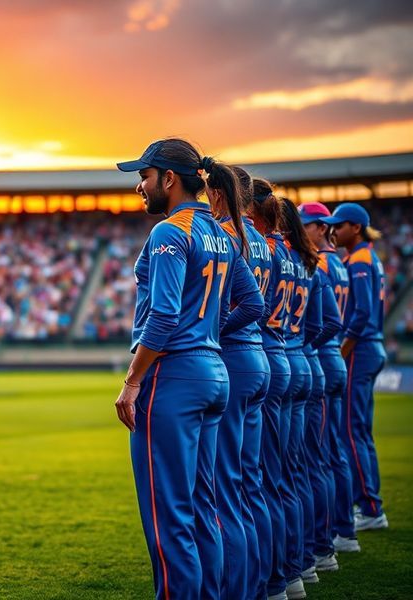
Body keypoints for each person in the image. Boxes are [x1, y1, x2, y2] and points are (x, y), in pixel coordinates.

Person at [115, 138, 262, 600]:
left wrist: (132, 381)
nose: (140, 186)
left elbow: (162, 315)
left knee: (168, 516)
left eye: (144, 176)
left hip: (174, 379)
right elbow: (252, 302)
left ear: (169, 179)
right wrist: (209, 333)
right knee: (204, 509)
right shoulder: (224, 231)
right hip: (214, 373)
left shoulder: (169, 232)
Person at [215, 166, 273, 600]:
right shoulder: (264, 242)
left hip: (236, 356)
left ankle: (241, 589)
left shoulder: (227, 234)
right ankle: (273, 582)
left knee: (228, 486)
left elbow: (251, 304)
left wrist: (214, 329)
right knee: (252, 482)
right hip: (264, 356)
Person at [322, 203, 388, 532]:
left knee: (351, 430)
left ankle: (371, 507)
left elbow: (361, 312)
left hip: (360, 350)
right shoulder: (366, 256)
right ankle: (369, 503)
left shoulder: (360, 259)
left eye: (340, 225)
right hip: (371, 347)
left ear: (356, 228)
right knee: (358, 430)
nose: (334, 230)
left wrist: (343, 349)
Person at [247, 179, 294, 600]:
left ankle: (267, 581)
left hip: (253, 353)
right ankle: (286, 574)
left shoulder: (245, 241)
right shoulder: (281, 250)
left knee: (250, 483)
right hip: (281, 354)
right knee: (278, 477)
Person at [299, 202, 351, 569]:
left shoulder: (319, 263)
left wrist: (304, 346)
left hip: (316, 357)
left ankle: (326, 541)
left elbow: (327, 323)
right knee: (332, 452)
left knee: (314, 459)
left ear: (319, 227)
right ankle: (339, 531)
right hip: (328, 359)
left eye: (304, 225)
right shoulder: (339, 264)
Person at [279, 197, 322, 598]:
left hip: (266, 357)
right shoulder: (307, 262)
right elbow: (320, 326)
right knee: (296, 472)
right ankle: (304, 563)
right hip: (301, 358)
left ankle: (277, 578)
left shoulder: (271, 252)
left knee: (260, 481)